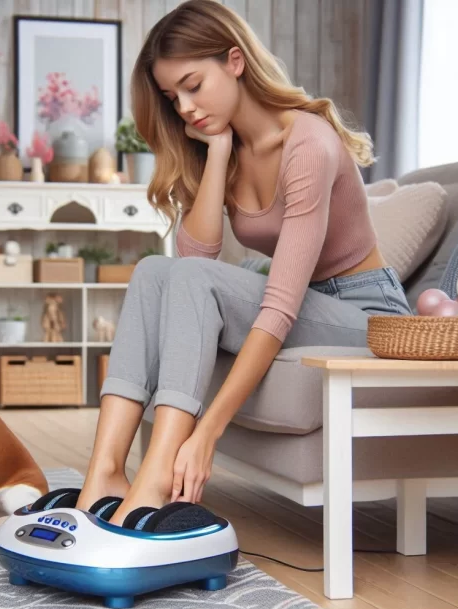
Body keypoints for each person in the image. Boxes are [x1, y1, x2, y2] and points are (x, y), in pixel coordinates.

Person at [75, 0, 412, 526]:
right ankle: (105, 472)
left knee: (180, 277)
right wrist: (215, 153)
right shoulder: (226, 146)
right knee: (152, 271)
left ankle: (159, 474)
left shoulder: (309, 145)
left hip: (366, 315)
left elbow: (279, 306)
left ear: (235, 61)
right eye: (172, 97)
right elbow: (192, 260)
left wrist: (205, 433)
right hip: (308, 303)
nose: (184, 107)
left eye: (193, 85)